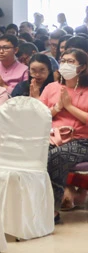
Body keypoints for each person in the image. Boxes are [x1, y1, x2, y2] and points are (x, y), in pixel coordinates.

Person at [40, 49, 88, 220]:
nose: (65, 65)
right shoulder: (52, 87)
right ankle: (36, 206)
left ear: (82, 67)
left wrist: (69, 107)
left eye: (71, 61)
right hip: (51, 136)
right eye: (63, 60)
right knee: (36, 154)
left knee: (56, 156)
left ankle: (51, 209)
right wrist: (58, 108)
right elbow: (40, 115)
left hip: (82, 140)